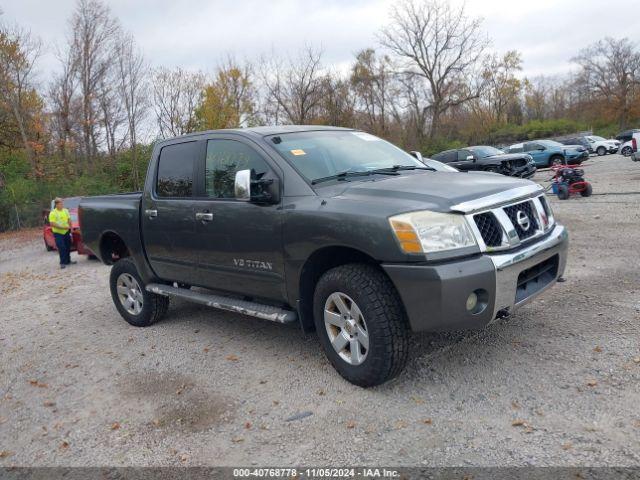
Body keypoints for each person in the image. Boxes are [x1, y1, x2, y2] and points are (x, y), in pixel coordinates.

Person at [49, 198, 76, 269]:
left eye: (62, 203)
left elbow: (69, 220)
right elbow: (52, 223)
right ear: (57, 204)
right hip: (58, 233)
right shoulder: (53, 213)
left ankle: (68, 260)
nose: (62, 204)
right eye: (60, 203)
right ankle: (62, 262)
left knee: (68, 246)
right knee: (61, 247)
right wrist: (62, 227)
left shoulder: (65, 211)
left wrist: (71, 228)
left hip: (66, 231)